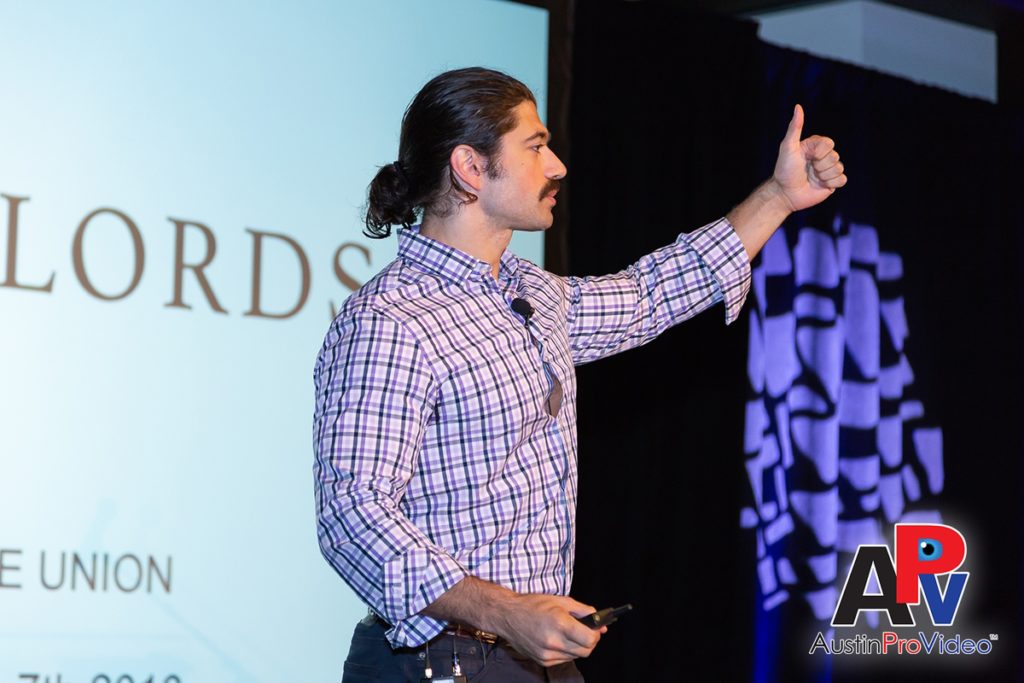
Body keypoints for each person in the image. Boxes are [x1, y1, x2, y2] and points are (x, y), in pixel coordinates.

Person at [313, 67, 845, 681]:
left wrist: (778, 197)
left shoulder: (530, 291)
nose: (558, 165)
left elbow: (651, 294)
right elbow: (352, 515)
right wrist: (508, 612)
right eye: (535, 147)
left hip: (533, 658)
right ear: (470, 167)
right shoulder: (391, 318)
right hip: (441, 662)